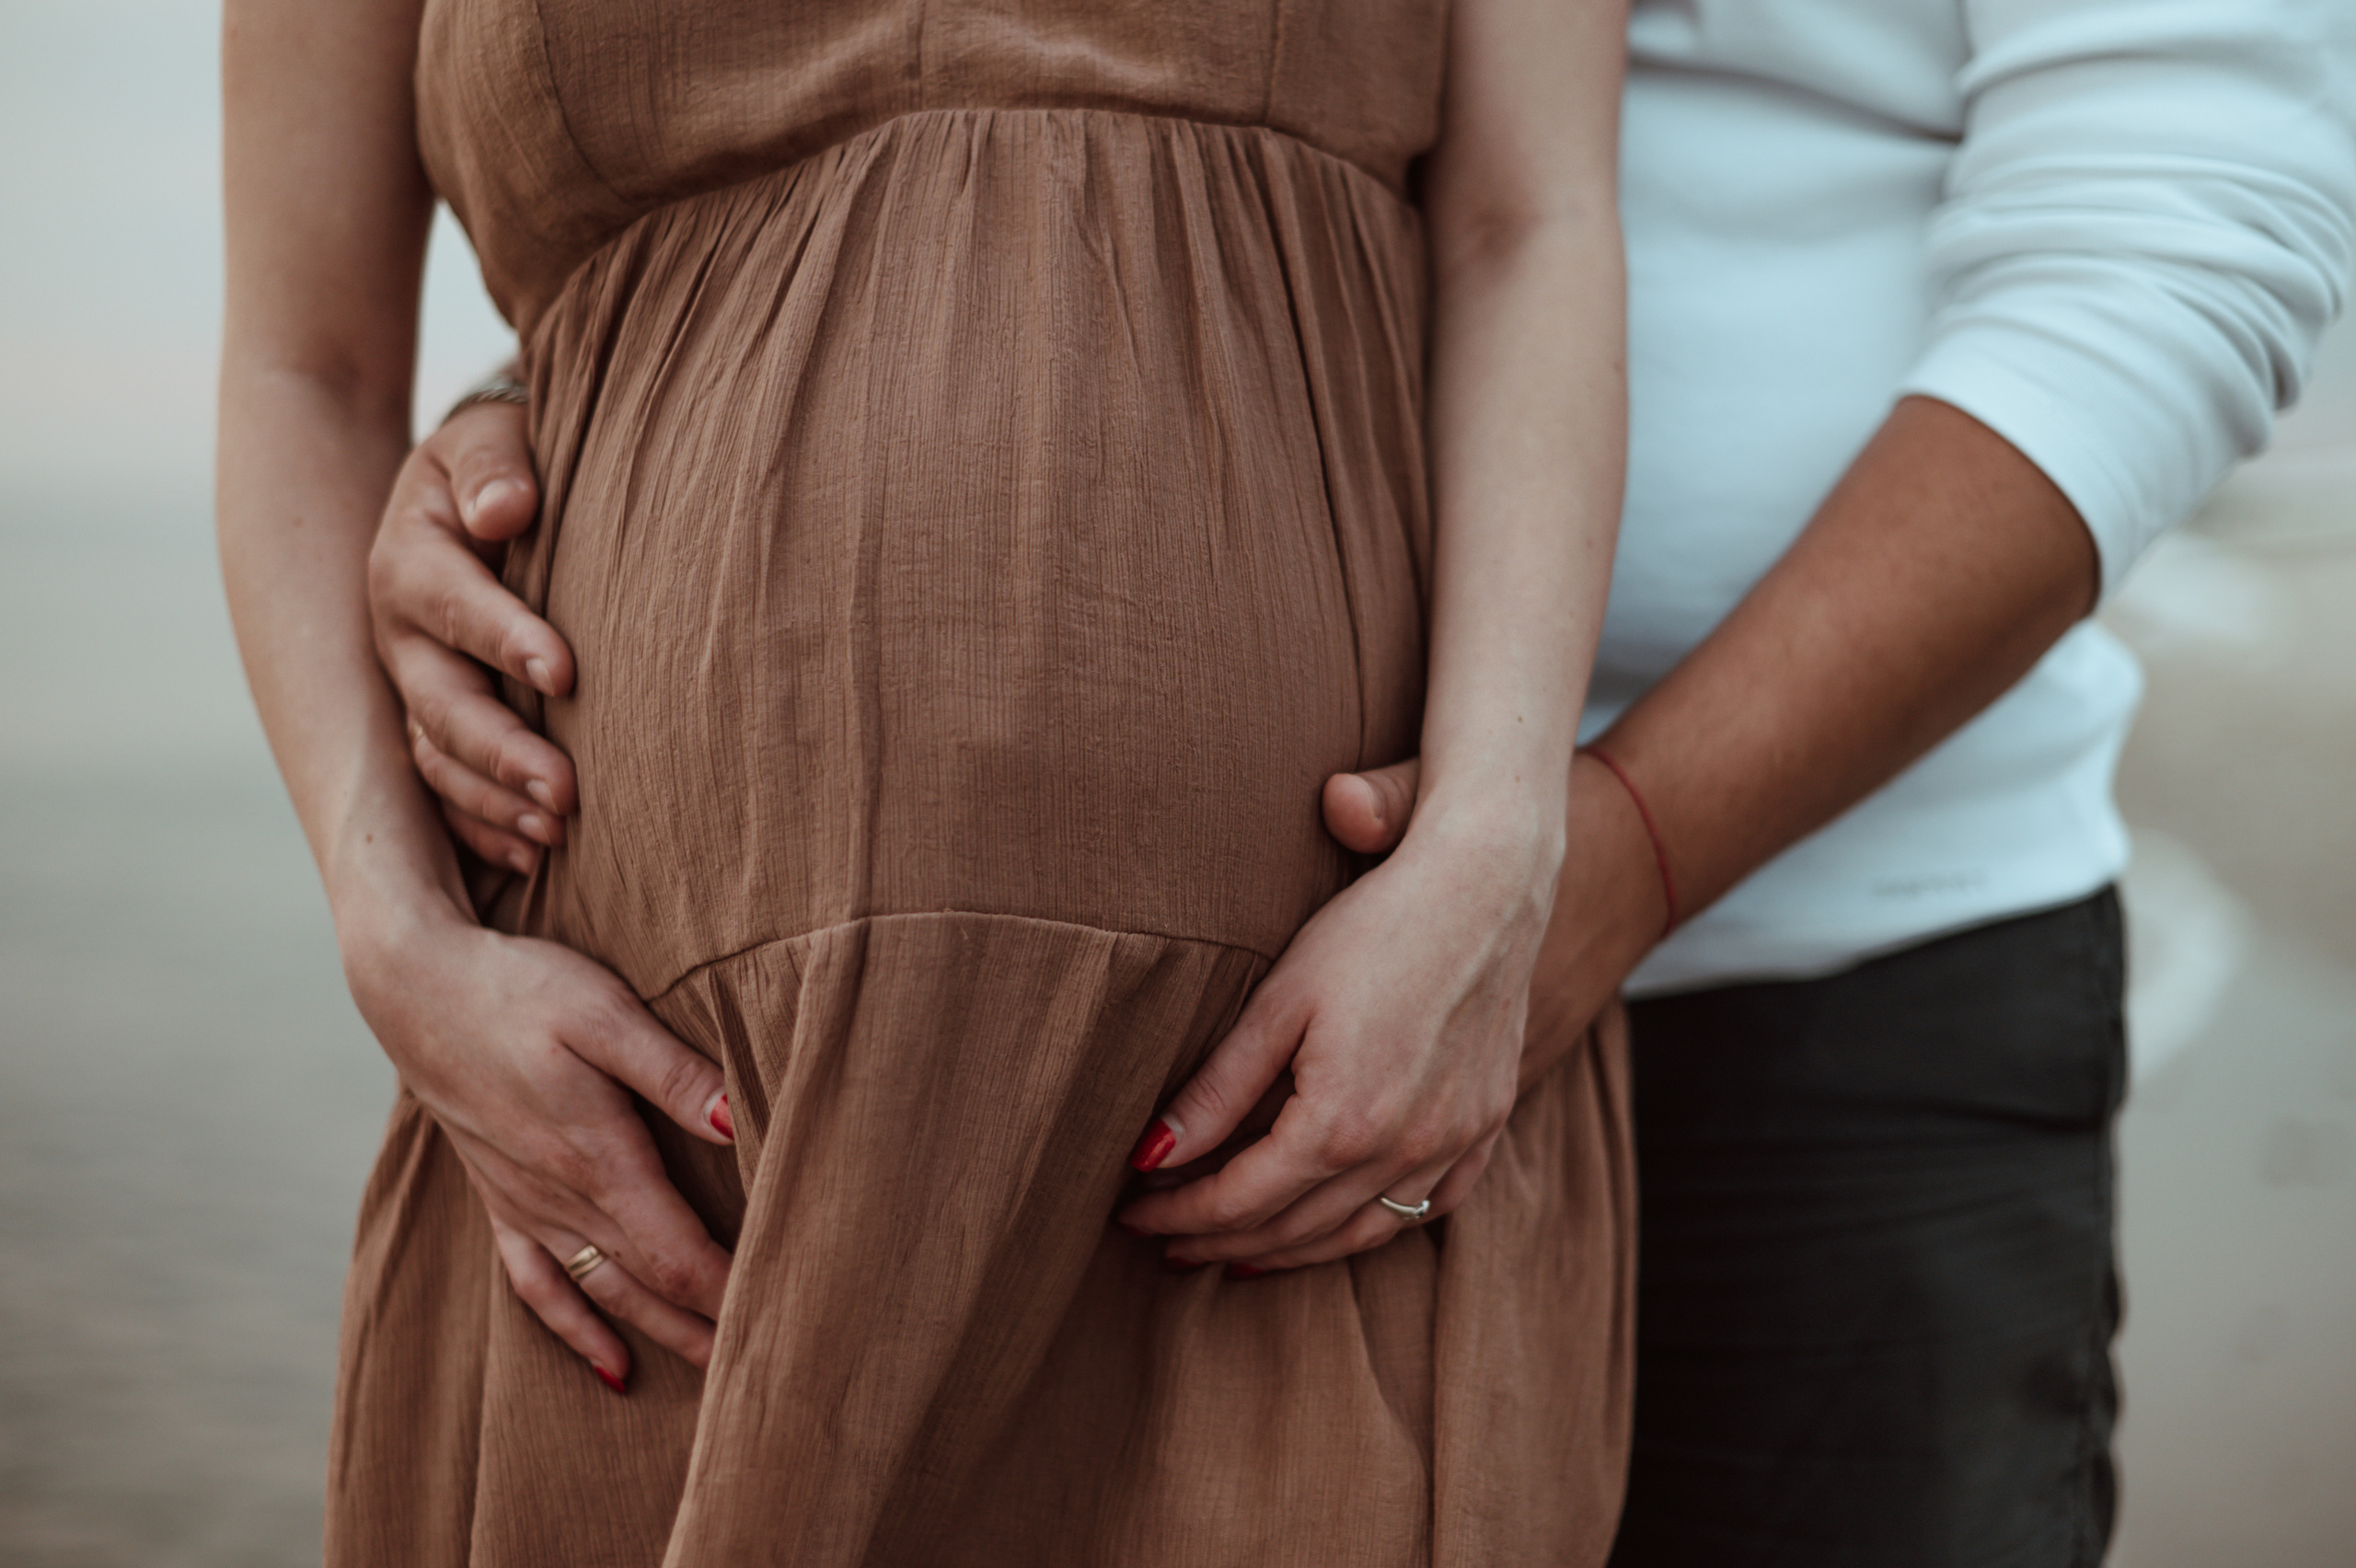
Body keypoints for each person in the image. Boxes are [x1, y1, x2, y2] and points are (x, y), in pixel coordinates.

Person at [374, 0, 2356, 1563]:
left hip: (1819, 966)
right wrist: (568, 402)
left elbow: (2175, 244)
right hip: (1146, 1027)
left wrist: (1590, 859)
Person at [220, 0, 1638, 1564]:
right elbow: (308, 364)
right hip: (648, 1150)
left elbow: (1531, 221)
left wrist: (1498, 850)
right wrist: (394, 934)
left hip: (1309, 1098)